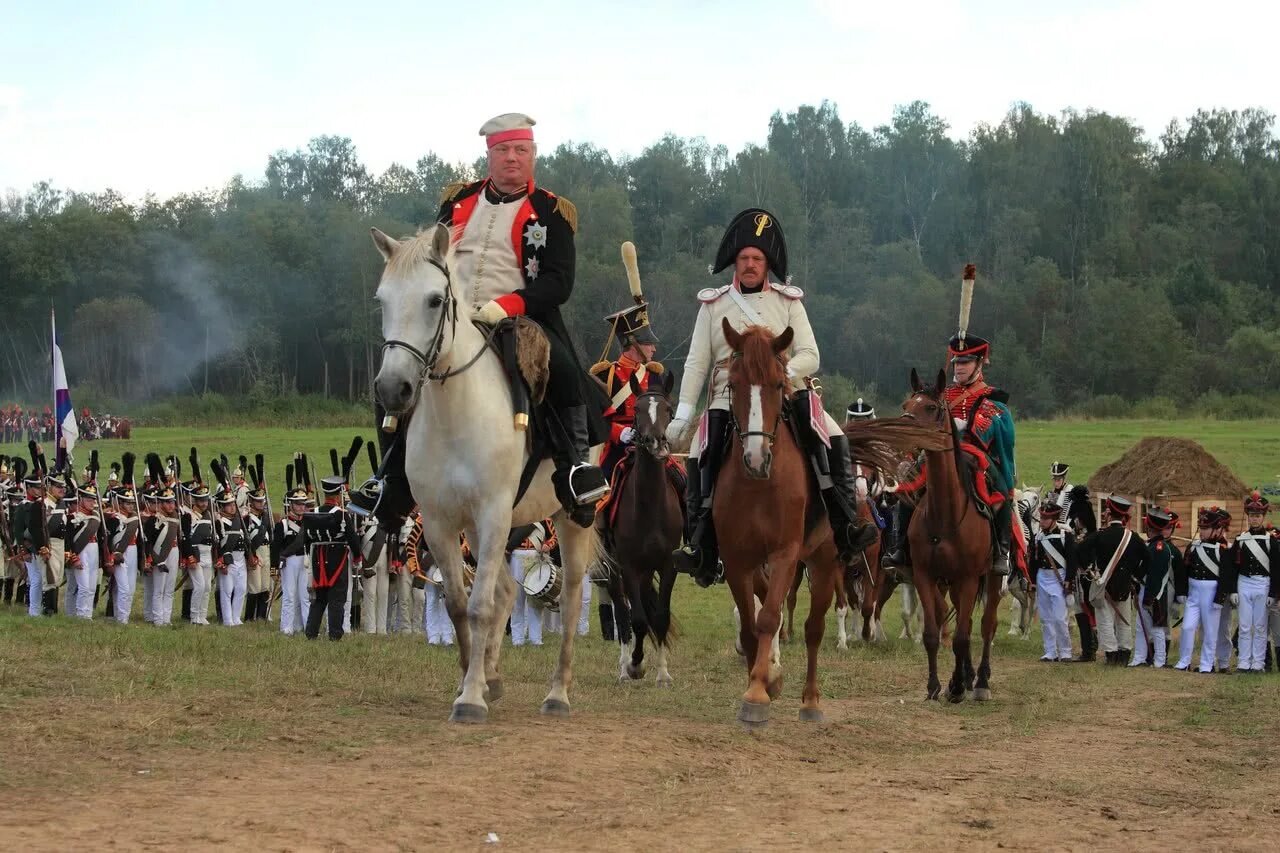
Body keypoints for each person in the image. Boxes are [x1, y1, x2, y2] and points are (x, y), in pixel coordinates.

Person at [375, 112, 610, 532]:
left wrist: (511, 303)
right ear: (489, 156)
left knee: (565, 372)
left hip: (519, 321)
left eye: (521, 150)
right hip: (453, 316)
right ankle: (391, 481)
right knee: (394, 370)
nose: (512, 159)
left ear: (533, 155)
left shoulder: (551, 211)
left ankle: (574, 472)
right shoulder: (457, 201)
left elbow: (559, 282)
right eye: (503, 151)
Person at [667, 208, 874, 587]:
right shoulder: (712, 306)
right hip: (729, 395)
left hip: (786, 391)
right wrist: (683, 413)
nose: (749, 265)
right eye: (744, 258)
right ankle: (700, 544)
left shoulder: (788, 302)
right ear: (735, 261)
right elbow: (697, 362)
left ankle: (846, 527)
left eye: (757, 259)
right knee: (701, 452)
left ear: (767, 264)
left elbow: (810, 354)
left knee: (834, 437)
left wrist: (781, 376)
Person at [884, 268, 1018, 577]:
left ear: (979, 363)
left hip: (976, 456)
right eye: (957, 362)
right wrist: (908, 456)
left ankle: (1001, 550)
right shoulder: (941, 394)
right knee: (905, 490)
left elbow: (993, 430)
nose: (959, 368)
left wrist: (963, 426)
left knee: (999, 489)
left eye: (966, 362)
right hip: (935, 451)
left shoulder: (992, 397)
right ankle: (900, 549)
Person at [1077, 496, 1148, 665]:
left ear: (1109, 514)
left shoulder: (1099, 536)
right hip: (1125, 584)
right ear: (1124, 516)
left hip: (1104, 584)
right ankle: (1124, 655)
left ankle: (1111, 655)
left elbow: (1080, 550)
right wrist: (1135, 575)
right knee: (1124, 621)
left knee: (1105, 621)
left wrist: (1089, 569)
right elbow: (1148, 559)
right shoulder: (1134, 537)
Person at [1224, 492, 1278, 673]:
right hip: (1244, 583)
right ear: (1247, 517)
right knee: (1245, 626)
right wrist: (1233, 590)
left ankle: (1258, 664)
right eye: (1252, 516)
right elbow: (1231, 568)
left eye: (1258, 516)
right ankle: (1243, 662)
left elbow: (1277, 569)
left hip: (1263, 584)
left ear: (1263, 517)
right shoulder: (1240, 540)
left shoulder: (1271, 541)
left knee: (1261, 627)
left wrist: (1273, 593)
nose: (1254, 519)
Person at [1174, 506, 1231, 672]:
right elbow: (1185, 571)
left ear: (1216, 529)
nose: (1202, 532)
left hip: (1211, 591)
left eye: (1206, 529)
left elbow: (1225, 577)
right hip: (1194, 591)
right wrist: (1182, 592)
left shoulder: (1222, 550)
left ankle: (1207, 664)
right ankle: (1184, 661)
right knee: (1187, 627)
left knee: (1210, 630)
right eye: (1201, 528)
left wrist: (1219, 598)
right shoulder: (1194, 547)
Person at [303, 477, 360, 641]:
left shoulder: (312, 513)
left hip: (317, 559)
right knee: (337, 598)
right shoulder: (342, 515)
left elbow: (306, 540)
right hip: (338, 559)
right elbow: (352, 539)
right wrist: (357, 557)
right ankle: (335, 634)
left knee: (319, 599)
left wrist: (310, 555)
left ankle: (311, 633)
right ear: (338, 494)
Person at [1131, 507, 1182, 668]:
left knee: (1157, 628)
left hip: (1156, 594)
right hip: (1147, 591)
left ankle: (1159, 660)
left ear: (1150, 528)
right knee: (1141, 627)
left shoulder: (1159, 548)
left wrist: (1149, 597)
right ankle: (1139, 657)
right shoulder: (1153, 546)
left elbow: (1155, 576)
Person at [1028, 501, 1077, 662]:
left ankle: (1065, 651)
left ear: (1053, 519)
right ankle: (1050, 651)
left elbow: (1072, 560)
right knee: (1045, 617)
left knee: (1059, 618)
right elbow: (1034, 562)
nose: (1042, 521)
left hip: (1059, 578)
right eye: (1041, 518)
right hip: (1042, 577)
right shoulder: (1038, 537)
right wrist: (1032, 581)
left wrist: (1069, 580)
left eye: (1045, 518)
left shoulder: (1065, 536)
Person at [508, 521, 555, 646]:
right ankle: (517, 639)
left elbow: (554, 536)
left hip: (536, 556)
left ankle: (536, 638)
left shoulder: (544, 518)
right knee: (517, 600)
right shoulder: (514, 515)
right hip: (515, 556)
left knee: (535, 600)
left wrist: (548, 545)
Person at [271, 487, 310, 636]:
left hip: (305, 561)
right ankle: (286, 628)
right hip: (289, 562)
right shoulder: (283, 524)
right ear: (291, 504)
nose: (301, 506)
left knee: (305, 596)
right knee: (289, 596)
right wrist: (275, 567)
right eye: (298, 503)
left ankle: (306, 627)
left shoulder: (308, 522)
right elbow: (275, 547)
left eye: (303, 503)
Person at [65, 482, 105, 620]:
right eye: (88, 499)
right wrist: (74, 558)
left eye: (93, 499)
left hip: (93, 550)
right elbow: (68, 540)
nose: (92, 502)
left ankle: (88, 614)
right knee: (84, 587)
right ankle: (80, 614)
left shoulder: (96, 517)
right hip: (80, 552)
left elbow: (100, 538)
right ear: (80, 499)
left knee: (92, 587)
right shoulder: (73, 517)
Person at [180, 484, 215, 626]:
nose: (204, 503)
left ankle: (202, 615)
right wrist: (190, 557)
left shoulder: (208, 516)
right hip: (195, 554)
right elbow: (186, 539)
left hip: (208, 553)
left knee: (207, 587)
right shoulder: (188, 517)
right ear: (194, 501)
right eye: (201, 500)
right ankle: (194, 616)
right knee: (199, 586)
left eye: (205, 500)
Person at [106, 485, 141, 624]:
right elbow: (108, 540)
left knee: (130, 588)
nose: (131, 506)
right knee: (123, 588)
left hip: (132, 551)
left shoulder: (133, 519)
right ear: (120, 503)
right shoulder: (114, 519)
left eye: (132, 503)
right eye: (128, 503)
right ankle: (121, 618)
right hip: (119, 553)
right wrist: (111, 556)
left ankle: (123, 615)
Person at [214, 485, 248, 626]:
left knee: (241, 589)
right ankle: (228, 619)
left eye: (233, 504)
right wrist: (221, 560)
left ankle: (236, 617)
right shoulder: (219, 522)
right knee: (227, 591)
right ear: (222, 507)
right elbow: (217, 544)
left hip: (241, 558)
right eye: (228, 505)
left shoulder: (239, 521)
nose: (232, 507)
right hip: (228, 558)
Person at [243, 484, 273, 622]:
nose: (261, 503)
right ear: (251, 502)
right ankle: (249, 617)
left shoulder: (266, 517)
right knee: (254, 586)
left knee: (265, 586)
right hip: (255, 552)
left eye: (262, 501)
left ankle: (261, 616)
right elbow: (246, 540)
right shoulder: (246, 519)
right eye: (258, 501)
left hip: (266, 551)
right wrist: (250, 555)